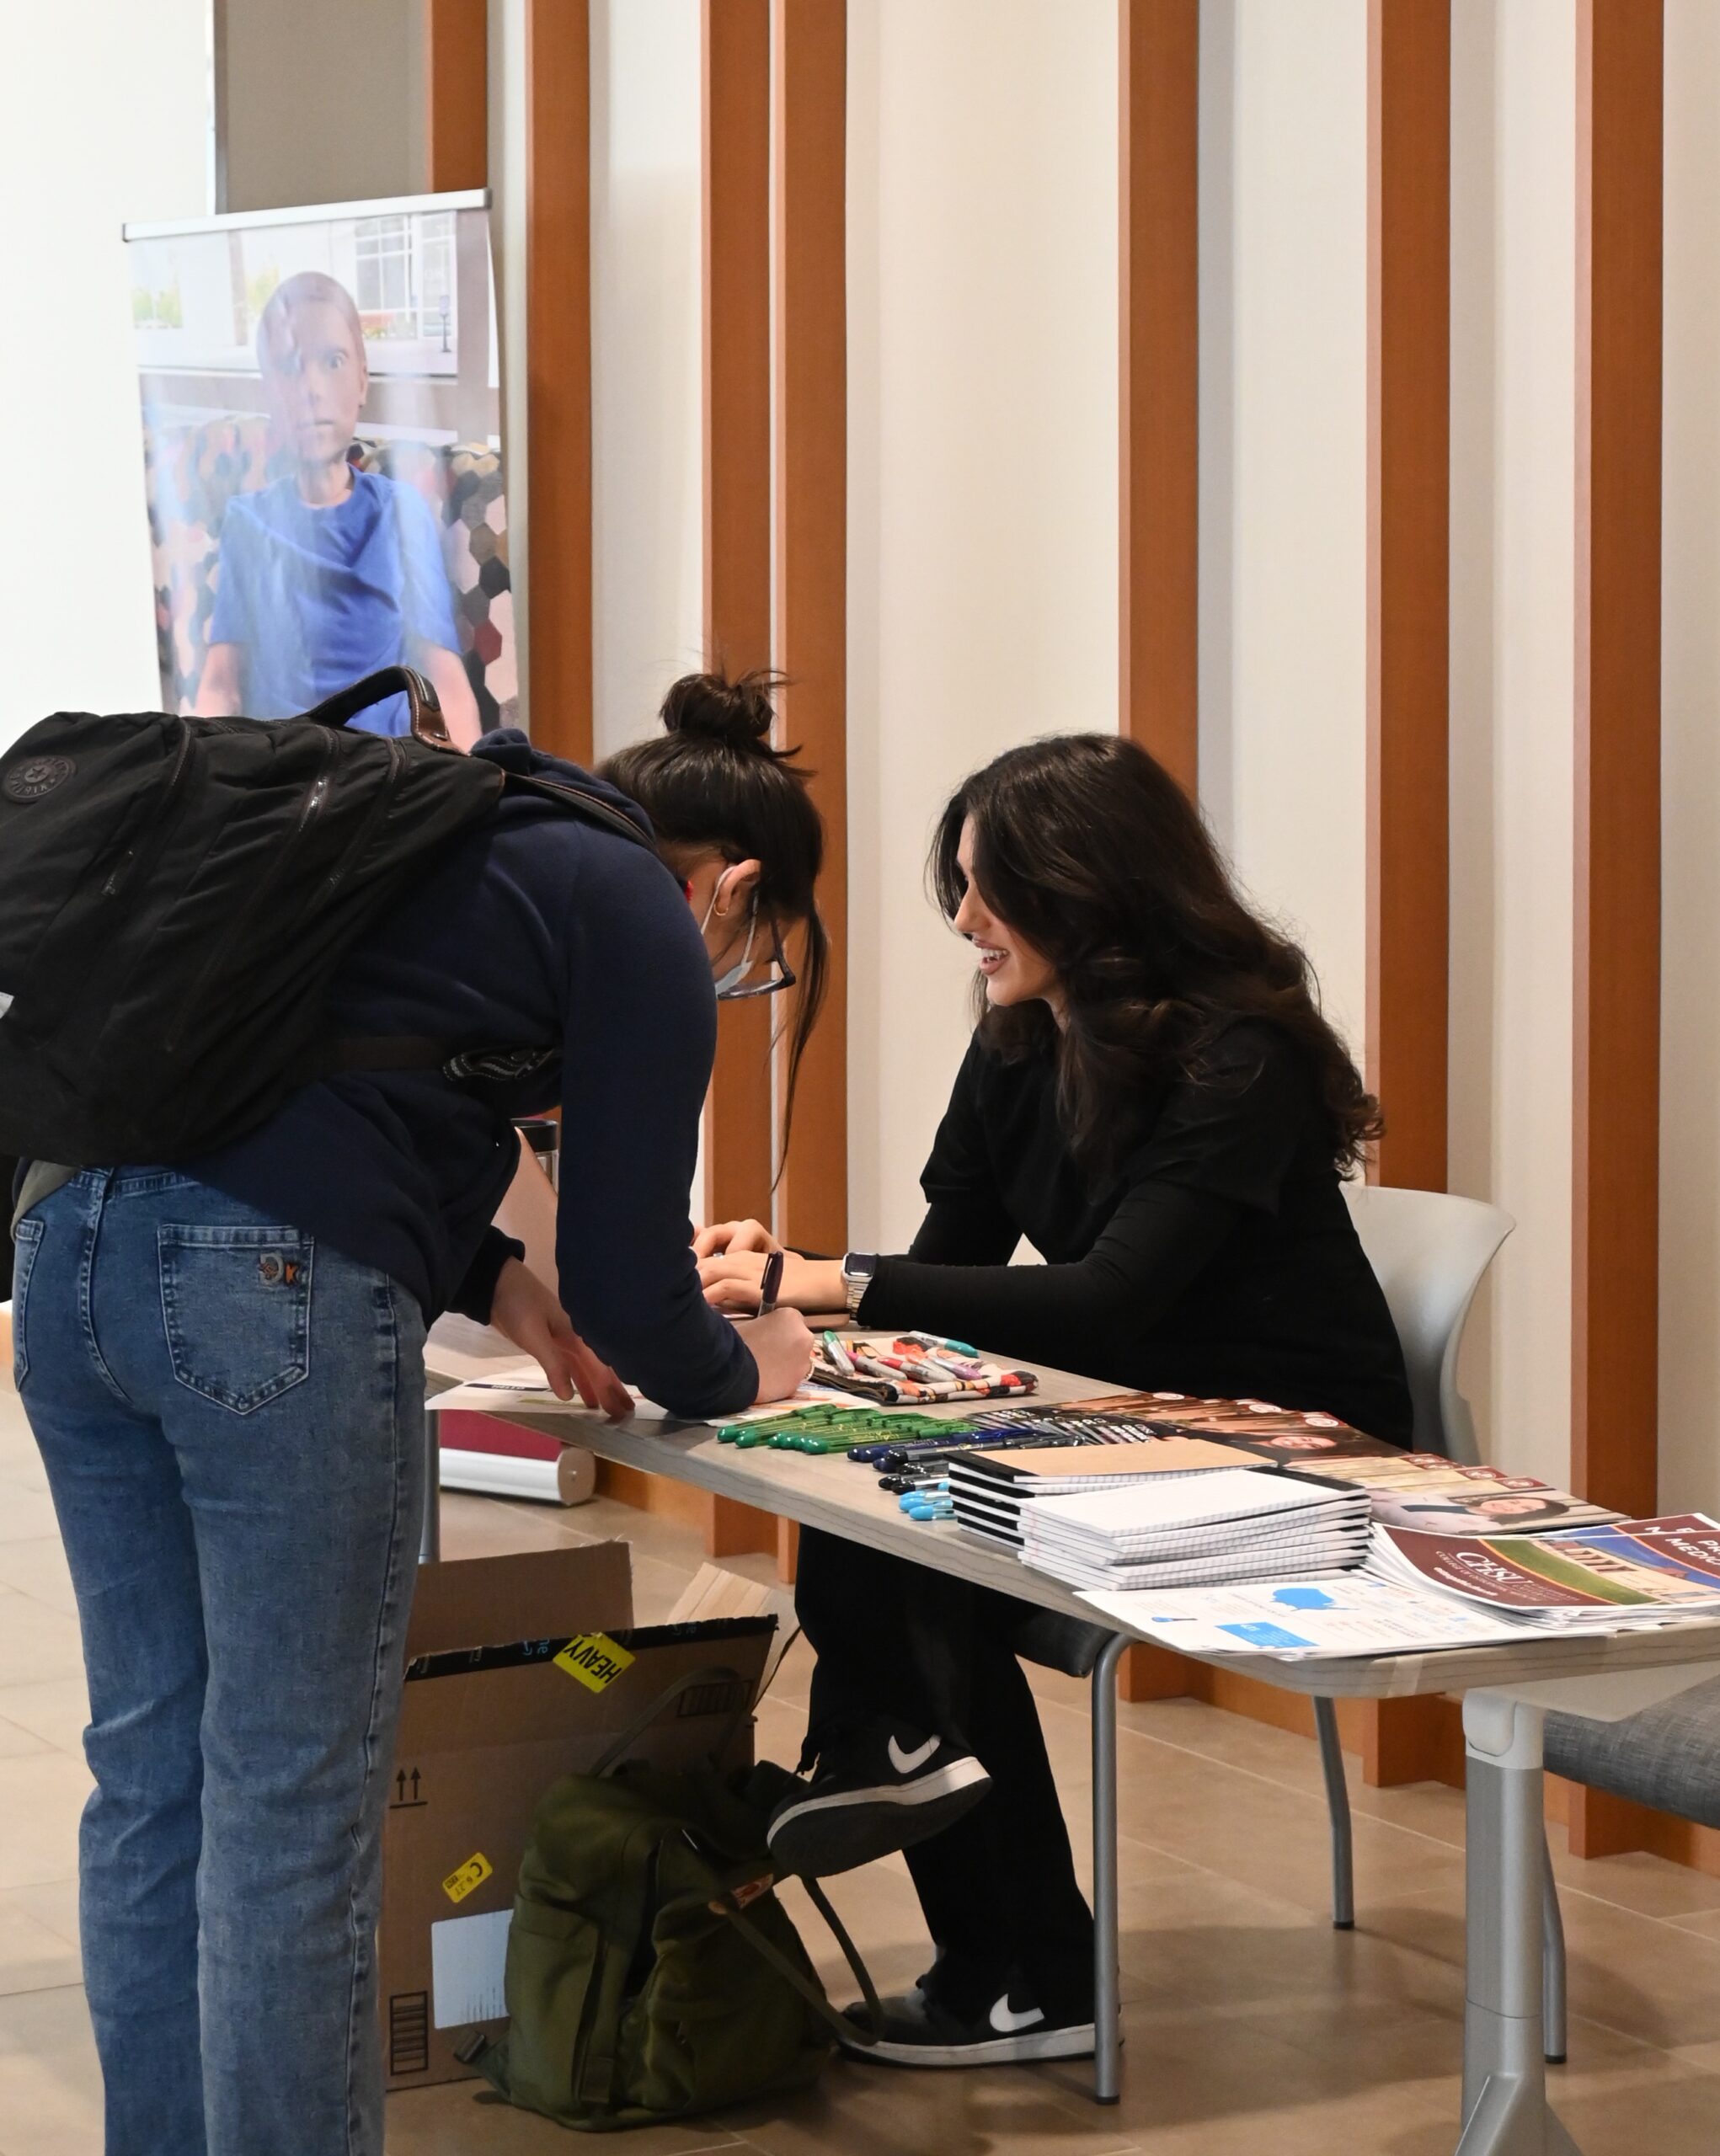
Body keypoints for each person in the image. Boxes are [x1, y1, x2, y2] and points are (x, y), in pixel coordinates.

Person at [8, 672, 823, 2156]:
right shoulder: (633, 908)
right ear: (737, 887)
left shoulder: (437, 832)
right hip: (264, 1290)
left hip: (65, 1255)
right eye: (759, 953)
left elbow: (319, 1076)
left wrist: (495, 1276)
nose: (738, 973)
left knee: (154, 1772)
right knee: (292, 1808)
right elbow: (644, 1293)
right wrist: (745, 1368)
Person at [697, 732, 1412, 2068]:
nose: (962, 921)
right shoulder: (1019, 1043)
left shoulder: (1235, 1057)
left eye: (985, 889)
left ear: (1084, 889)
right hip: (1135, 1417)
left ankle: (972, 1896)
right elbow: (951, 1264)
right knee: (879, 1513)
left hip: (1293, 1441)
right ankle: (941, 1842)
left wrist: (830, 1278)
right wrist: (774, 1296)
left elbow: (1103, 1302)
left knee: (919, 1560)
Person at [195, 270, 483, 745]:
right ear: (269, 390)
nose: (312, 388)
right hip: (279, 772)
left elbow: (444, 680)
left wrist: (476, 788)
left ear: (362, 380)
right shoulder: (247, 522)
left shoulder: (400, 512)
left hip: (385, 771)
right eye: (290, 366)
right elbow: (220, 686)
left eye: (332, 361)